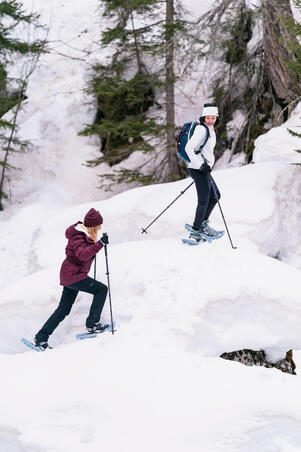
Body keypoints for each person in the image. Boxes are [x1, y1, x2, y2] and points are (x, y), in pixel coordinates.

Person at [34, 208, 109, 349]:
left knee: (63, 310)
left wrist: (97, 243)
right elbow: (82, 254)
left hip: (72, 275)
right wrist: (99, 244)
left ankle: (40, 338)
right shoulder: (78, 236)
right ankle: (92, 324)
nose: (100, 227)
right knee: (101, 290)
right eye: (99, 225)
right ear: (93, 226)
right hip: (73, 275)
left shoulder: (83, 235)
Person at [185, 103, 223, 243]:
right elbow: (189, 148)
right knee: (204, 200)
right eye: (208, 118)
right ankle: (195, 232)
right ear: (203, 117)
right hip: (198, 168)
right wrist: (200, 164)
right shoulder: (201, 129)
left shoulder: (210, 129)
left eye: (213, 118)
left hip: (204, 168)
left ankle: (203, 225)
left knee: (215, 196)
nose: (211, 120)